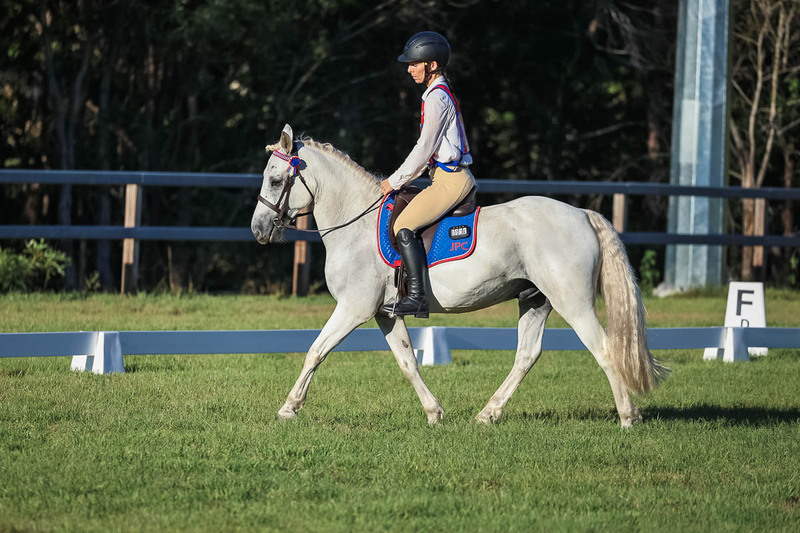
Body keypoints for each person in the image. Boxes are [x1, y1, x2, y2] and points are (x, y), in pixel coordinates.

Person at [381, 31, 476, 319]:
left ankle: (417, 297)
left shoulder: (437, 98)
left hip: (451, 179)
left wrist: (394, 181)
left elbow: (424, 149)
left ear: (432, 65)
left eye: (415, 64)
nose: (409, 69)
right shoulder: (437, 93)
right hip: (444, 177)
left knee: (403, 224)